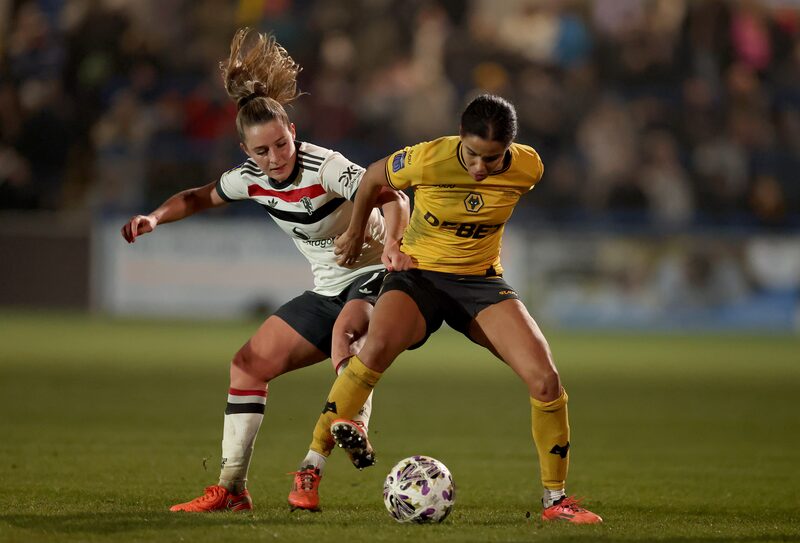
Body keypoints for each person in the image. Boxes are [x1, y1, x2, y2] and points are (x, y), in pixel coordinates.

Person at [120, 28, 409, 513]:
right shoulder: (249, 180)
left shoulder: (327, 167)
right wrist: (154, 217)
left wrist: (392, 244)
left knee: (347, 332)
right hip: (328, 285)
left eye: (280, 144)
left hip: (379, 274)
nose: (275, 158)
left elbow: (393, 195)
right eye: (262, 151)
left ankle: (355, 419)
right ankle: (232, 490)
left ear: (292, 132)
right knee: (247, 365)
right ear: (245, 151)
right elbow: (196, 197)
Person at [290, 94, 602, 524]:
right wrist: (366, 232)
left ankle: (556, 502)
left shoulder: (529, 167)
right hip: (419, 277)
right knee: (374, 349)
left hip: (481, 283)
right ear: (460, 138)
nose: (478, 167)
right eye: (472, 154)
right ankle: (310, 469)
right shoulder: (427, 158)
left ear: (509, 150)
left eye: (491, 159)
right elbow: (373, 180)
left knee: (546, 381)